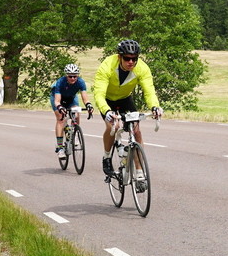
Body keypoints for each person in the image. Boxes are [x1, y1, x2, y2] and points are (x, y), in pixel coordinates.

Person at [93, 39, 163, 178]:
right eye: (127, 58)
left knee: (137, 132)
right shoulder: (107, 65)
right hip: (107, 100)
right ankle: (107, 157)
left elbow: (149, 91)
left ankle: (139, 173)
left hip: (125, 99)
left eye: (134, 58)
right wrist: (107, 111)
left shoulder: (142, 68)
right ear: (119, 57)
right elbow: (99, 93)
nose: (131, 62)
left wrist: (155, 106)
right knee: (112, 126)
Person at [50, 63, 93, 156]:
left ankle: (75, 133)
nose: (73, 78)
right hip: (57, 98)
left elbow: (85, 98)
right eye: (70, 76)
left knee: (76, 112)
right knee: (61, 119)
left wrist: (89, 105)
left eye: (75, 76)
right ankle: (60, 148)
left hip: (71, 98)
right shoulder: (60, 82)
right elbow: (57, 101)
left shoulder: (81, 82)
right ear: (66, 76)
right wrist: (60, 107)